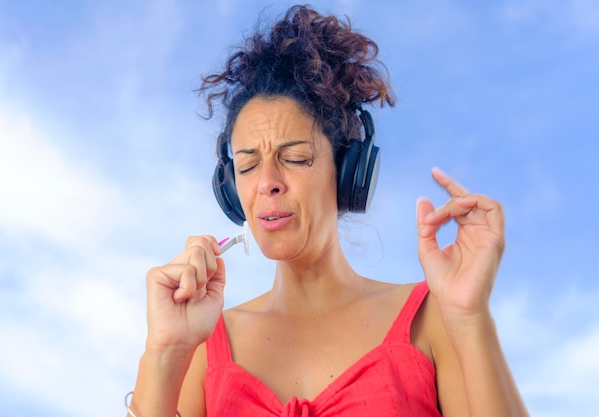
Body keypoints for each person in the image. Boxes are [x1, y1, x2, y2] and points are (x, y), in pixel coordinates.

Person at [127, 5, 530, 417]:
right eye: (247, 166)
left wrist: (470, 316)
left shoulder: (432, 320)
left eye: (296, 157)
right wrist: (164, 351)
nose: (267, 181)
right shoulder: (203, 346)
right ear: (231, 189)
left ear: (348, 172)